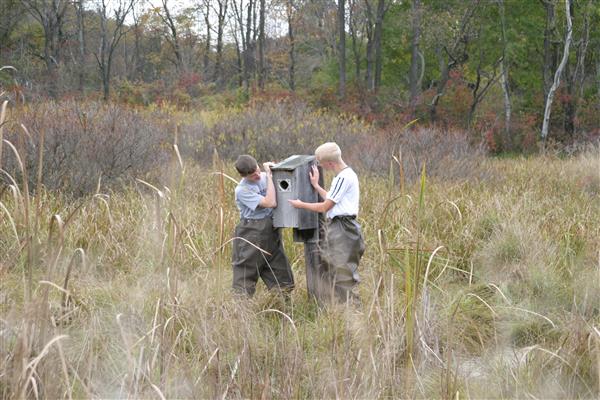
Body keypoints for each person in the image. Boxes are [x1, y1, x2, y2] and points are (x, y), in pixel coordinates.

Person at [289, 142, 365, 303]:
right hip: (342, 227)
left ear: (330, 163)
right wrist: (316, 186)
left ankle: (353, 311)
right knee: (332, 268)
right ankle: (337, 308)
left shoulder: (343, 178)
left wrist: (300, 204)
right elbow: (332, 198)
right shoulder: (346, 175)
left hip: (343, 228)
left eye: (321, 163)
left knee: (342, 272)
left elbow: (325, 206)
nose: (320, 166)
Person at [231, 154, 294, 296]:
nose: (258, 176)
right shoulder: (242, 190)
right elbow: (270, 203)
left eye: (258, 171)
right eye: (253, 176)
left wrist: (275, 170)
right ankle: (240, 311)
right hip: (252, 231)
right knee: (246, 272)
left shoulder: (265, 176)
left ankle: (281, 308)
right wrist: (271, 177)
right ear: (244, 176)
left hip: (271, 229)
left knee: (280, 272)